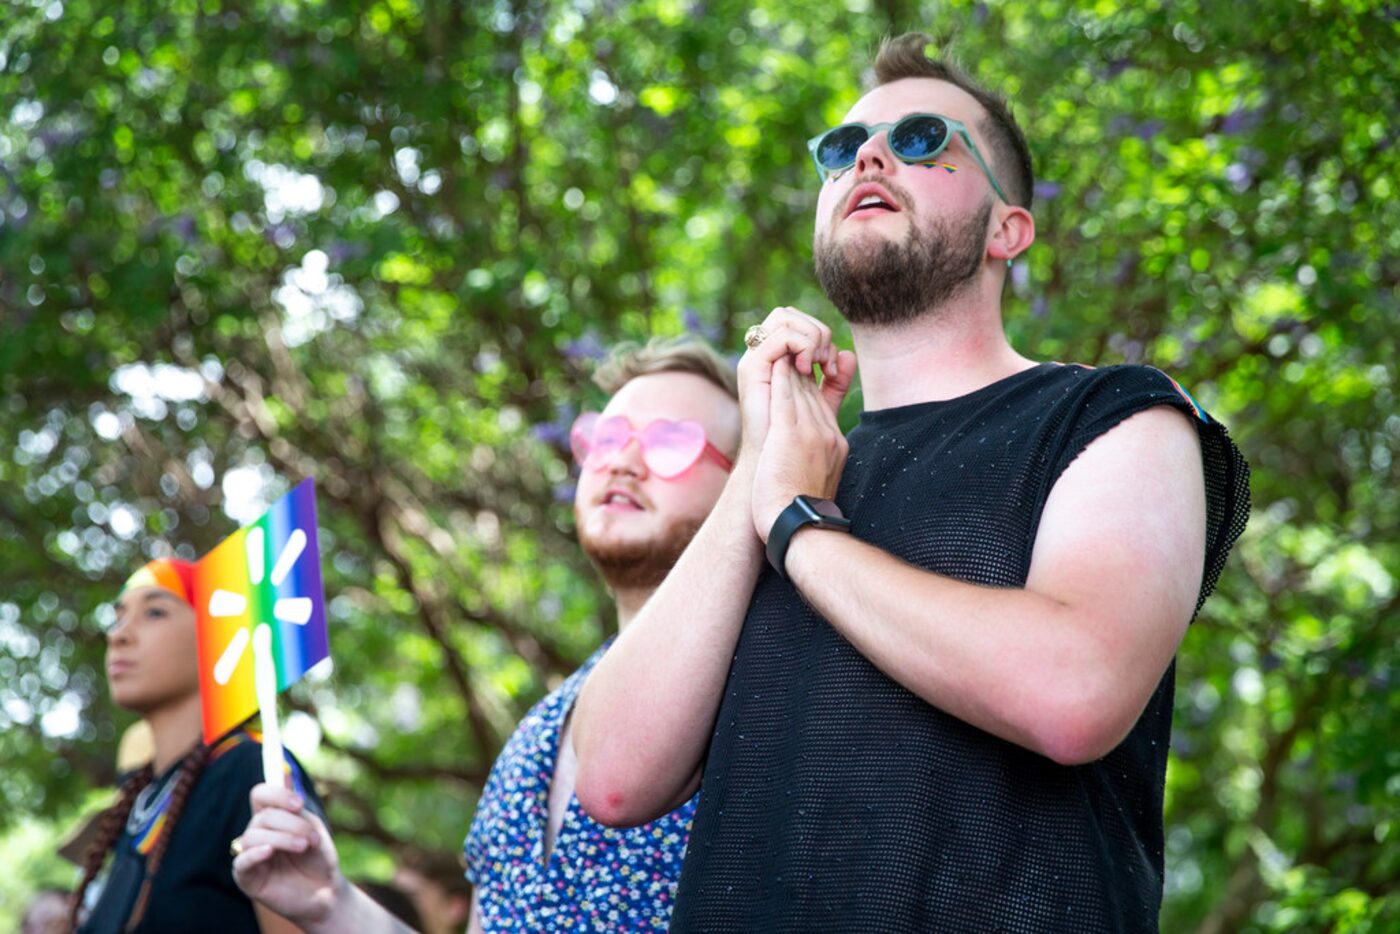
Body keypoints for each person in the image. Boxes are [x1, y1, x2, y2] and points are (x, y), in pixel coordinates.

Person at [571, 34, 1250, 931]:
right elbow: (613, 777)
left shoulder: (1117, 415)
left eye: (924, 138)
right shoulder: (785, 475)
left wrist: (801, 530)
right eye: (841, 148)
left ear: (1009, 228)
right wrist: (763, 470)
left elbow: (1076, 692)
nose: (870, 156)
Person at [230, 336, 745, 932]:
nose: (623, 461)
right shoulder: (538, 732)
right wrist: (329, 901)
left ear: (744, 479)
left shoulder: (775, 679)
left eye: (670, 442)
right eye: (606, 438)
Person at [69, 557, 322, 933]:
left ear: (218, 637)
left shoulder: (251, 770)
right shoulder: (141, 800)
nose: (117, 634)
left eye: (154, 612)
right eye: (119, 616)